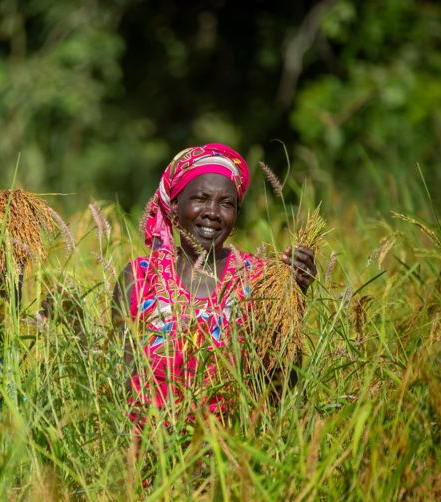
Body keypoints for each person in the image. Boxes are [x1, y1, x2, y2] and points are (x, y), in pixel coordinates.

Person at [113, 144, 316, 425]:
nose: (212, 212)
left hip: (228, 455)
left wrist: (294, 298)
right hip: (146, 452)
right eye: (200, 198)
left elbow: (280, 388)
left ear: (236, 215)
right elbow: (117, 381)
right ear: (174, 207)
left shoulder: (258, 279)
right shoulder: (139, 278)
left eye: (226, 203)